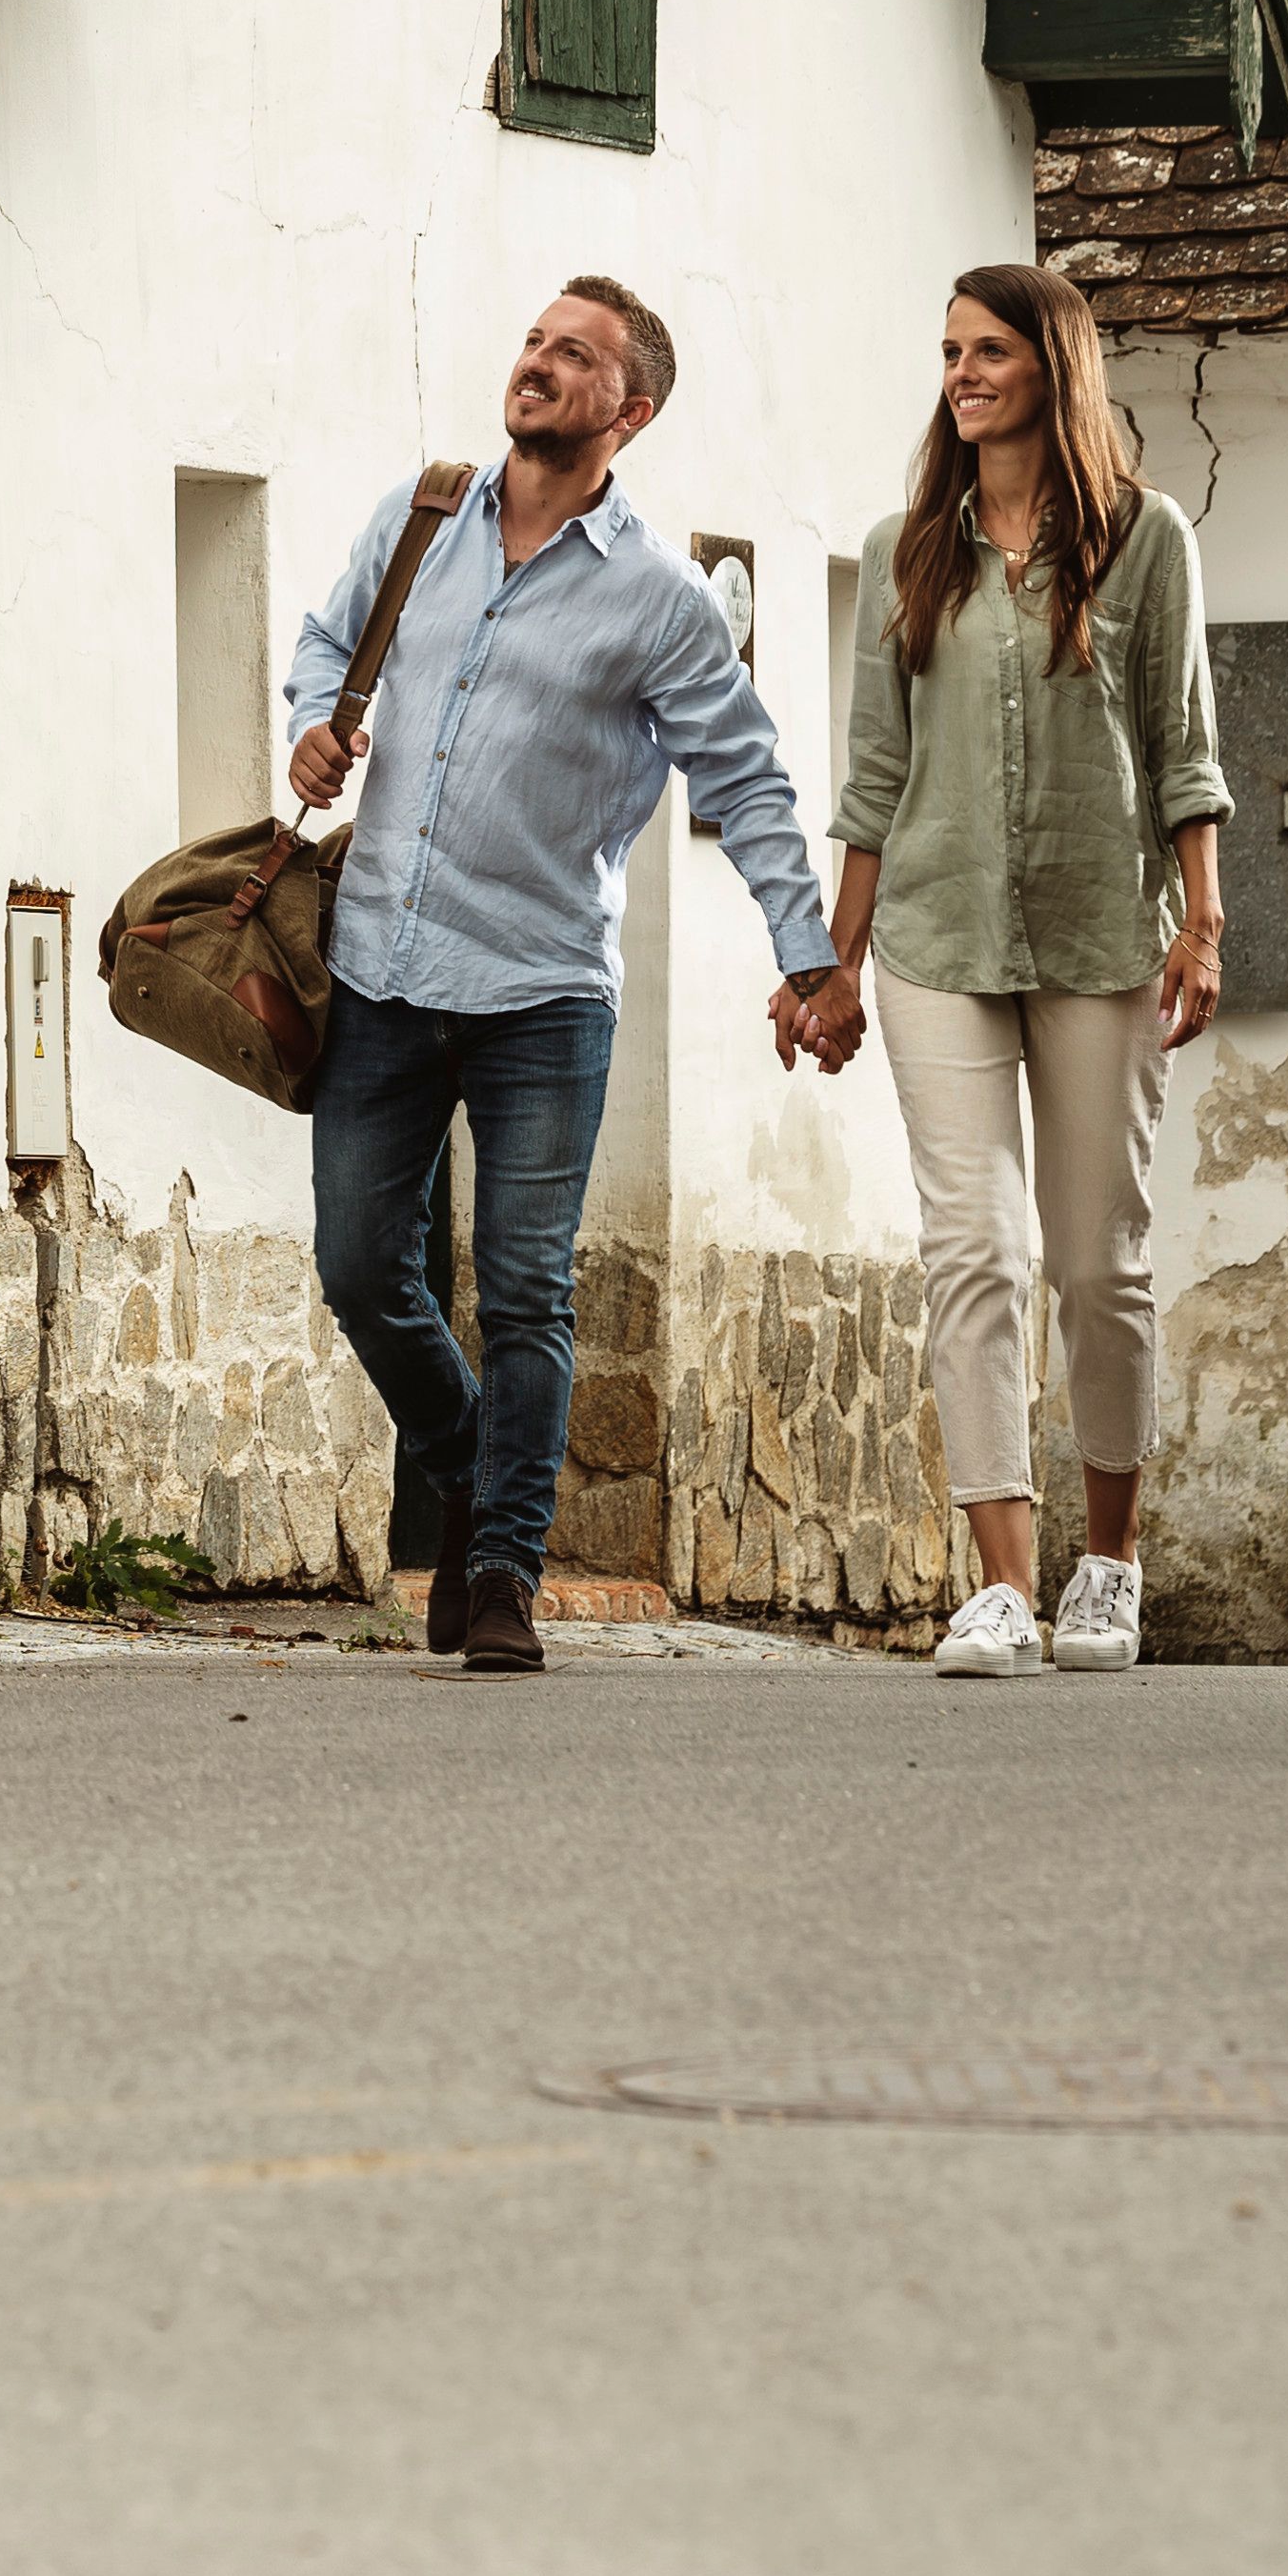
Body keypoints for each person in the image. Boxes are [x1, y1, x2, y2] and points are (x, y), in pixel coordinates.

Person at [276, 272, 849, 1675]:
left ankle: (500, 1572)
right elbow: (321, 644)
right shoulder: (420, 515)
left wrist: (810, 953)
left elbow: (750, 783)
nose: (534, 363)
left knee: (527, 1287)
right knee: (361, 1264)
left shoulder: (657, 598)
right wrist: (309, 723)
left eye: (572, 354)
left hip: (539, 992)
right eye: (533, 339)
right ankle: (471, 1453)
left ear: (626, 410)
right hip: (380, 967)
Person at [802, 258, 1228, 1680]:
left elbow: (1184, 753)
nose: (961, 373)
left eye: (987, 349)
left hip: (1102, 929)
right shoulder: (905, 552)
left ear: (1054, 365)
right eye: (946, 352)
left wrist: (1202, 920)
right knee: (969, 1252)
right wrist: (831, 965)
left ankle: (1107, 1563)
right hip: (934, 935)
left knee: (1097, 1259)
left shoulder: (1145, 541)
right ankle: (998, 1577)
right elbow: (872, 779)